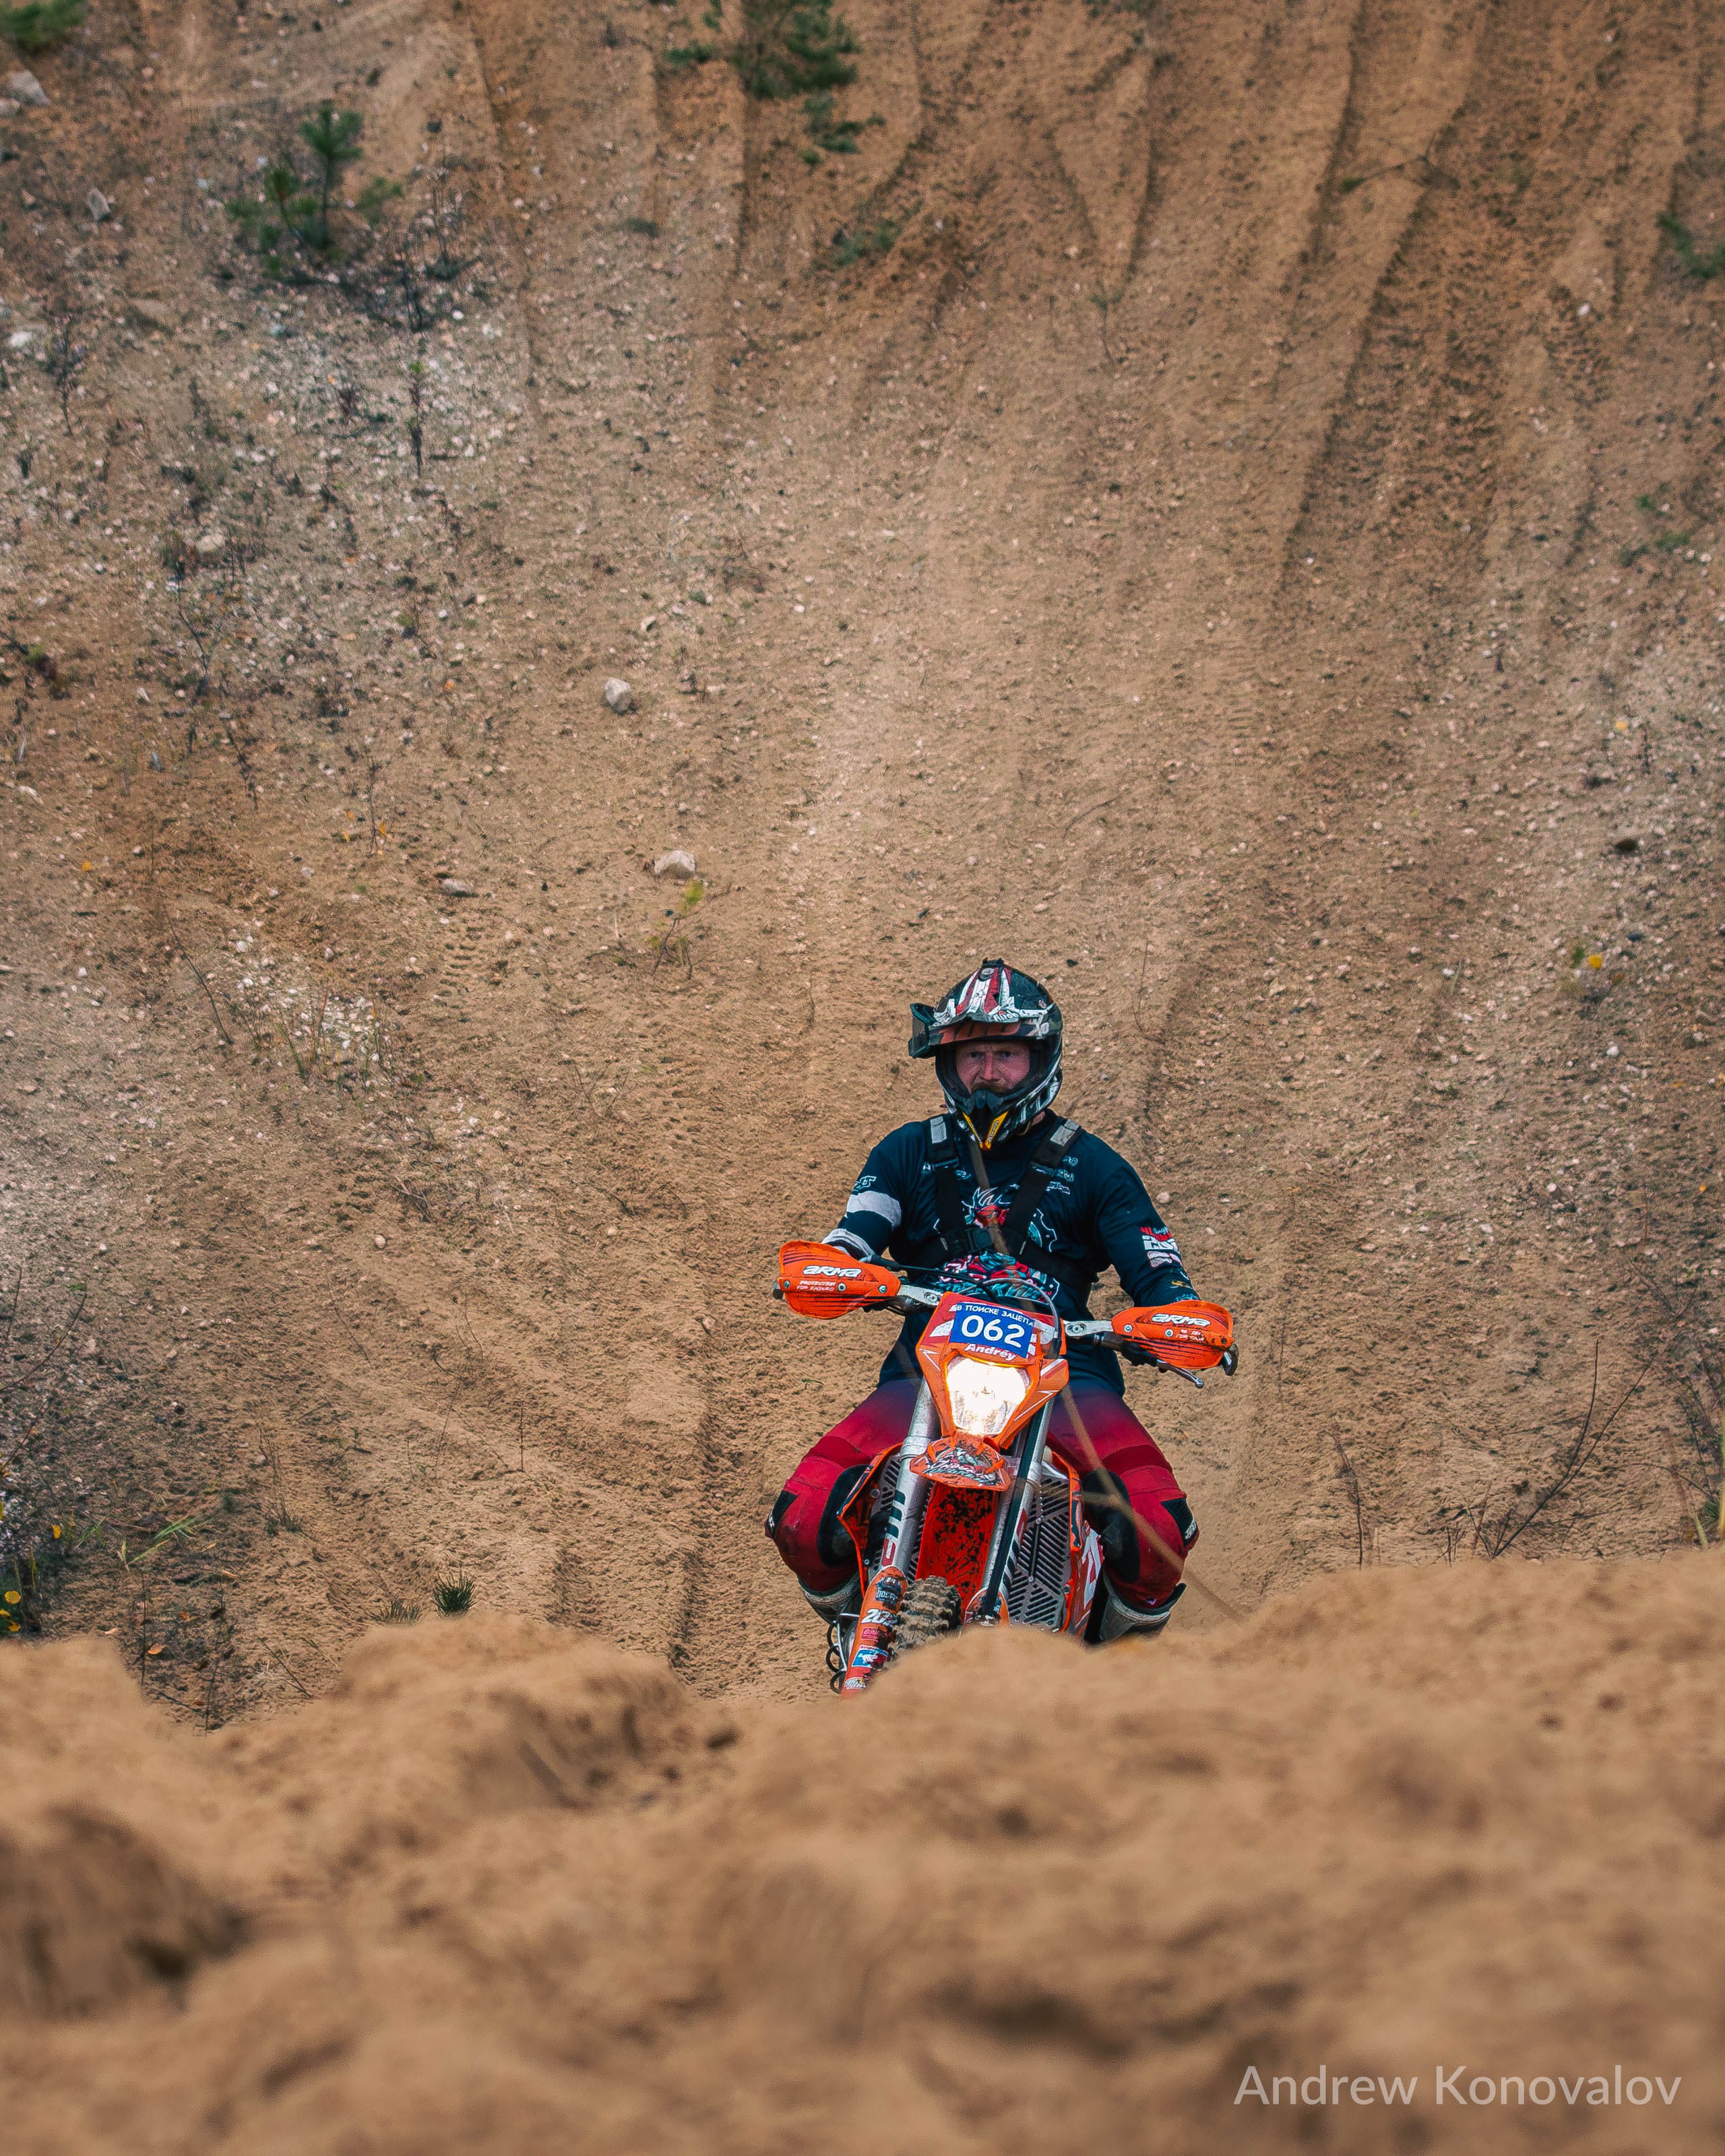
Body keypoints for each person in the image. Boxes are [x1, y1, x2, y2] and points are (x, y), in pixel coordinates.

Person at [765, 959, 1204, 1643]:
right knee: (802, 1515)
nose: (988, 1072)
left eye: (1005, 1053)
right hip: (925, 1374)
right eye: (973, 1055)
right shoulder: (908, 1150)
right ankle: (859, 1627)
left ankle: (1118, 1665)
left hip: (1065, 1377)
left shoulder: (1095, 1165)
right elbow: (857, 1230)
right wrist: (837, 1267)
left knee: (1158, 1531)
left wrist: (1178, 1314)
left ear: (1039, 1059)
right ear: (949, 1061)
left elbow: (1156, 1269)